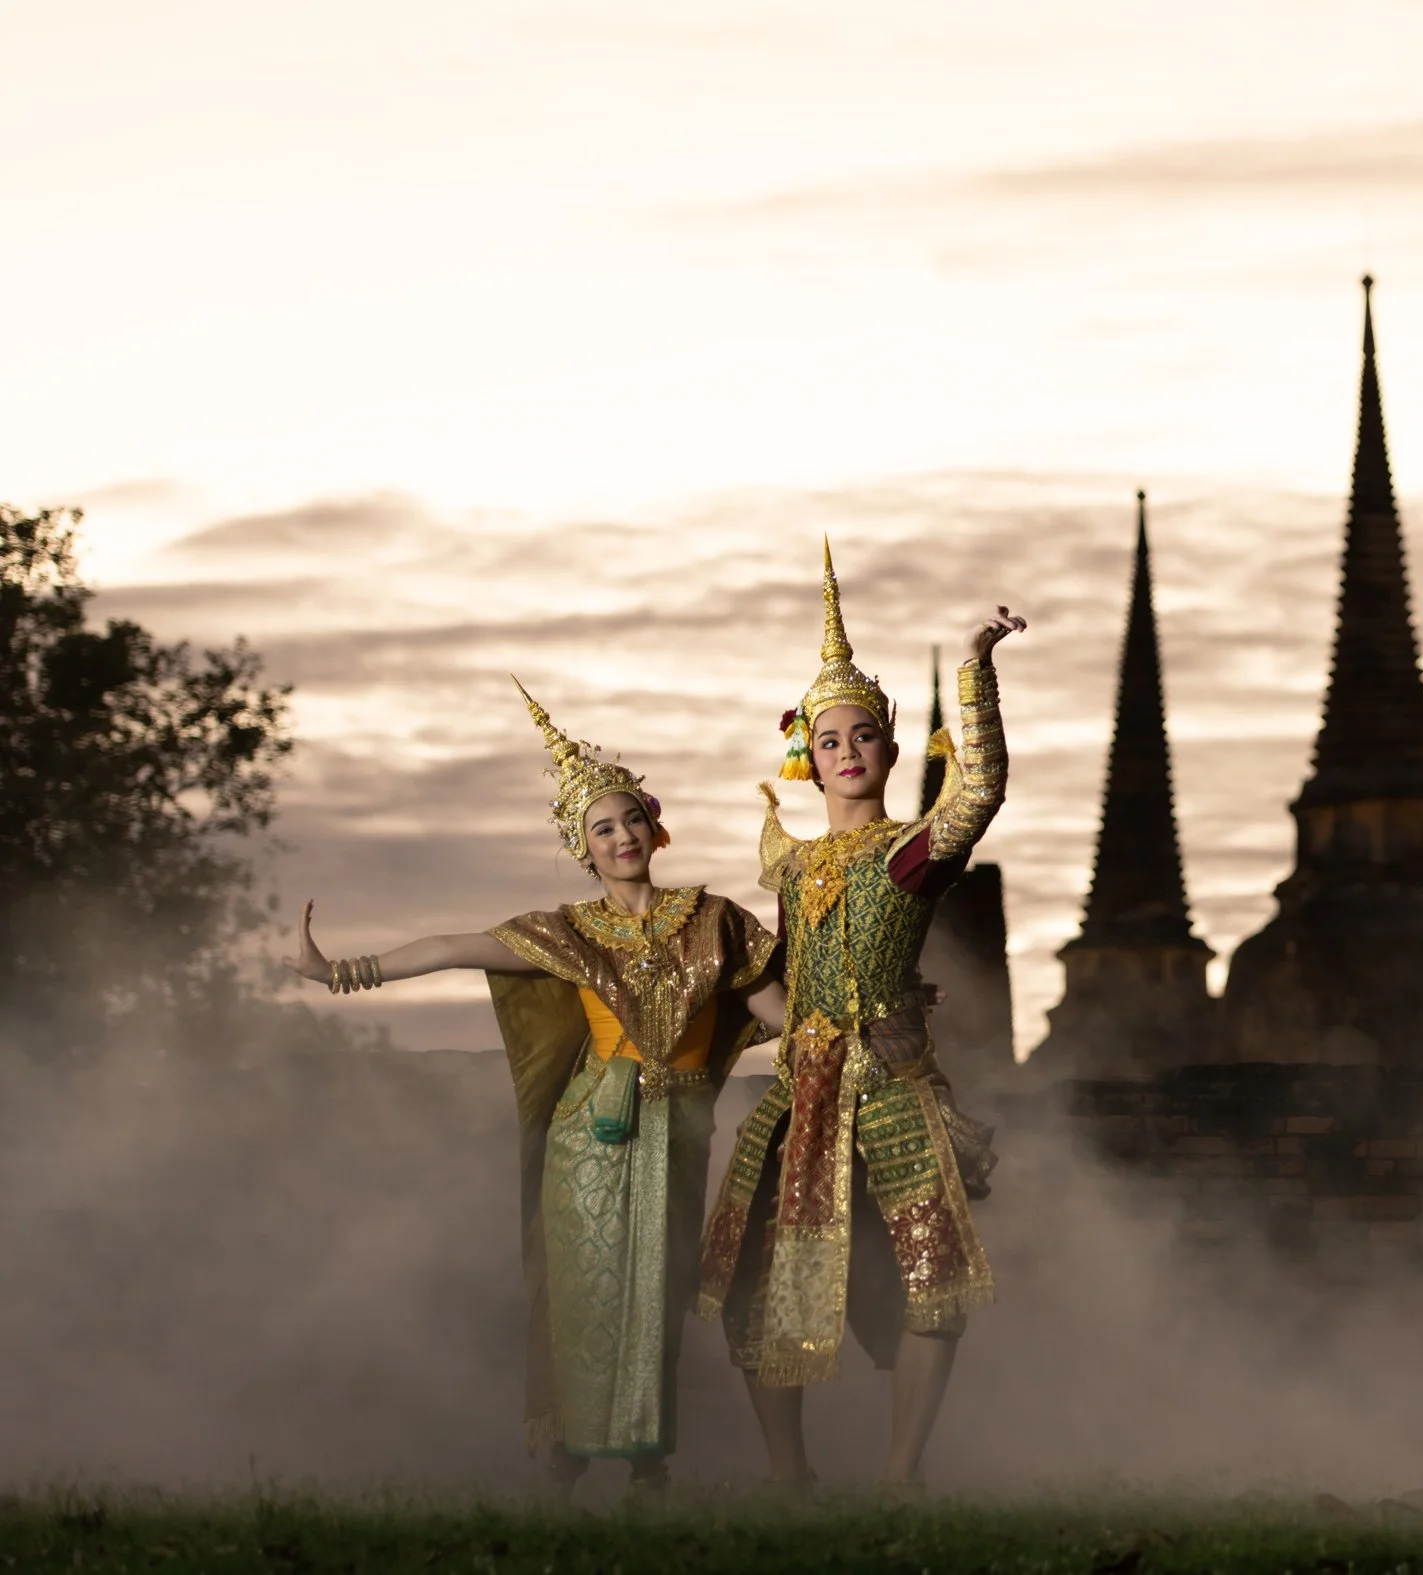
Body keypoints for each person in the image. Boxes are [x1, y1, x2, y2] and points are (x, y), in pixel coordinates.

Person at [289, 683, 783, 1498]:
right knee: (584, 1291)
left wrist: (868, 1011)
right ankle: (565, 1463)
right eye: (602, 827)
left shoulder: (717, 920)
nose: (621, 835)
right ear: (581, 845)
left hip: (679, 1129)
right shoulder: (568, 931)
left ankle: (647, 1469)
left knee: (656, 1294)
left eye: (631, 819)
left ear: (656, 826)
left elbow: (783, 1014)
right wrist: (336, 971)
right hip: (591, 1131)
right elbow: (455, 945)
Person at [697, 543, 1022, 1492]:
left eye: (864, 737)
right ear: (808, 756)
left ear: (888, 748)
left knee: (931, 1276)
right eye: (829, 739)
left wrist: (975, 668)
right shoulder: (791, 867)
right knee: (758, 1287)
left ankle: (900, 1472)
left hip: (889, 1091)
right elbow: (769, 979)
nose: (847, 752)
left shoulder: (911, 854)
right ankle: (788, 1473)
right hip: (801, 1096)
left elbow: (984, 788)